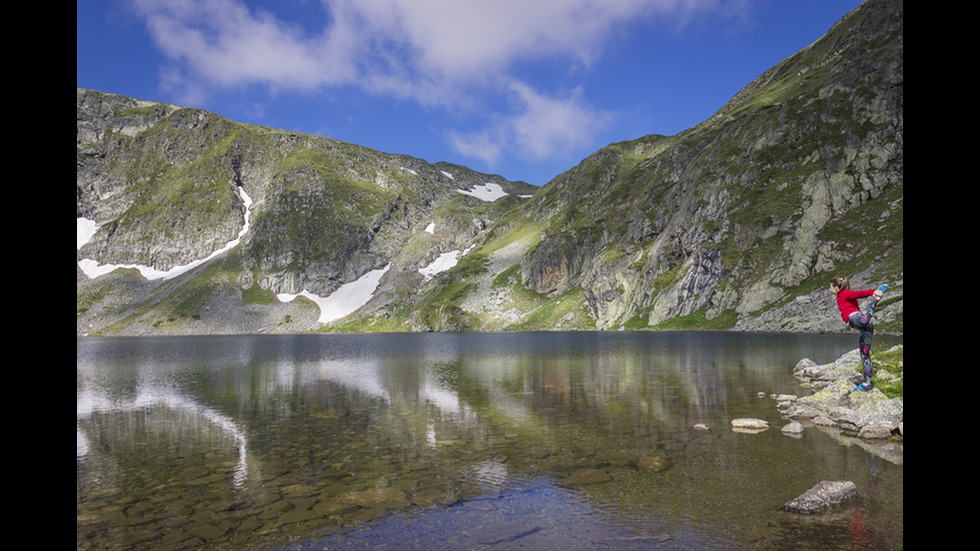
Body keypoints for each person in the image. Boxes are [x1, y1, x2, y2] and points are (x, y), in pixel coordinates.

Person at [829, 277, 887, 390]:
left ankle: (876, 300)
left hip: (856, 318)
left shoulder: (844, 293)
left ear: (836, 288)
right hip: (863, 326)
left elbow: (858, 294)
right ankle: (866, 384)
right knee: (864, 355)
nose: (830, 289)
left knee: (864, 320)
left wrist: (871, 292)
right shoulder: (841, 295)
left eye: (831, 287)